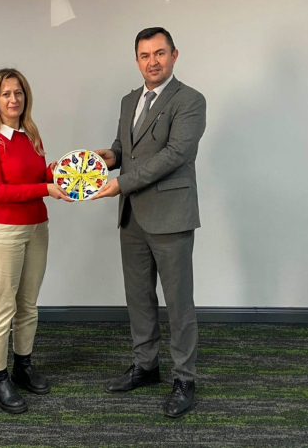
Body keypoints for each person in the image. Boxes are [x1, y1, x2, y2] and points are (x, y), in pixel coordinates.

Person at [93, 27, 206, 418]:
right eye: (145, 55)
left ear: (174, 55)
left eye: (160, 53)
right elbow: (125, 150)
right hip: (132, 216)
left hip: (171, 215)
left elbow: (175, 154)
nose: (152, 62)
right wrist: (104, 159)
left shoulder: (190, 100)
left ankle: (184, 378)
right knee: (139, 297)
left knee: (178, 302)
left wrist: (120, 183)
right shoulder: (129, 100)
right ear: (137, 60)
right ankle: (145, 365)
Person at [0, 68, 73, 414]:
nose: (13, 99)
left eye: (18, 93)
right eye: (6, 94)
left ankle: (22, 366)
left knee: (28, 304)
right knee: (3, 307)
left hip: (37, 227)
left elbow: (37, 176)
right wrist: (46, 188)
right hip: (4, 231)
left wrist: (58, 172)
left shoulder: (30, 135)